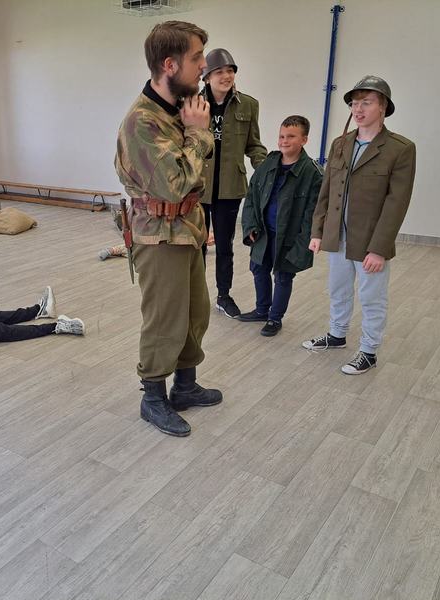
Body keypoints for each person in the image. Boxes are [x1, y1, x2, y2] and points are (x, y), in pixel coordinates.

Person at [114, 21, 222, 438]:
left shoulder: (177, 109)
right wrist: (198, 134)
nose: (203, 66)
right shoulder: (142, 122)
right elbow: (175, 183)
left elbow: (195, 173)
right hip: (158, 235)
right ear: (169, 64)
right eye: (197, 58)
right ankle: (153, 398)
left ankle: (185, 386)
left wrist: (196, 132)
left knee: (194, 313)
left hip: (186, 229)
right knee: (164, 319)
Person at [303, 75, 416, 374]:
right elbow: (326, 191)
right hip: (336, 235)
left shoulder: (400, 149)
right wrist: (318, 231)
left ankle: (369, 351)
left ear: (383, 107)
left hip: (369, 240)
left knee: (371, 298)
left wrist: (379, 248)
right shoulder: (341, 144)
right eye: (354, 103)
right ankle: (337, 334)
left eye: (366, 103)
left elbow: (397, 203)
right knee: (338, 289)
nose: (358, 109)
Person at [199, 48, 267, 319]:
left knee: (225, 246)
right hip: (197, 187)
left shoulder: (248, 105)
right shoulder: (191, 104)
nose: (226, 76)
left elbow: (254, 145)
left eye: (230, 71)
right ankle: (195, 294)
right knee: (196, 245)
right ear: (207, 77)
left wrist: (266, 168)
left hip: (230, 187)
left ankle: (223, 295)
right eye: (219, 72)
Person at [241, 115, 323, 336]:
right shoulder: (269, 163)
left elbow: (313, 214)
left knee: (283, 275)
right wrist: (250, 226)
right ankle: (262, 310)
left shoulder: (312, 173)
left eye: (291, 136)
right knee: (258, 268)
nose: (284, 141)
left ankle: (275, 318)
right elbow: (252, 196)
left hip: (289, 236)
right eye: (281, 136)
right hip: (264, 232)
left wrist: (303, 243)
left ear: (304, 140)